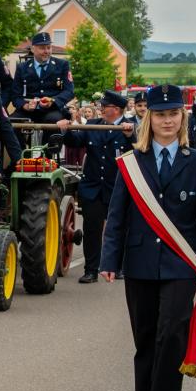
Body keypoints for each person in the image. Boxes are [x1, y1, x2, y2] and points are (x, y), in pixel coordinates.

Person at [100, 84, 196, 391]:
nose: (167, 120)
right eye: (160, 114)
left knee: (172, 336)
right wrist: (109, 260)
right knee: (146, 337)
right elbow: (117, 216)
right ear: (148, 118)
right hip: (139, 261)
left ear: (181, 118)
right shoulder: (130, 163)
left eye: (173, 114)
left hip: (182, 264)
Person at [58, 90, 135, 283]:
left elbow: (142, 151)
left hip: (118, 186)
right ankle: (91, 270)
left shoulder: (129, 127)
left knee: (119, 228)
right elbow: (76, 141)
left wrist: (130, 136)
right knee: (92, 229)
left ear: (115, 109)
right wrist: (65, 129)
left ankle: (117, 267)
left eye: (105, 106)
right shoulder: (93, 125)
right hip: (93, 186)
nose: (101, 109)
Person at [11, 31, 74, 154]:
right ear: (33, 49)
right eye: (42, 48)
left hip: (52, 109)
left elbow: (69, 91)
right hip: (29, 110)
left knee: (52, 122)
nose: (46, 51)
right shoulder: (22, 67)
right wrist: (25, 105)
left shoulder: (62, 65)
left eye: (48, 47)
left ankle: (46, 159)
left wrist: (53, 101)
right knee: (11, 123)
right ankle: (22, 157)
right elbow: (15, 95)